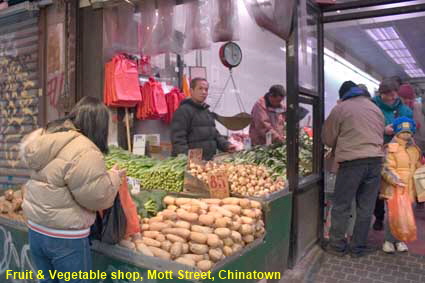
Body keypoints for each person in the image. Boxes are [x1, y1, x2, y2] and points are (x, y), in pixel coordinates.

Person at [20, 97, 124, 283]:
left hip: (36, 230)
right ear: (100, 125)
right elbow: (97, 198)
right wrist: (114, 177)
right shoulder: (85, 149)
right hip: (65, 239)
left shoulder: (47, 136)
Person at [322, 80, 385, 258]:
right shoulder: (375, 108)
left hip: (352, 163)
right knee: (366, 207)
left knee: (342, 205)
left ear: (343, 95)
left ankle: (336, 246)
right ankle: (357, 247)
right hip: (375, 162)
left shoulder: (341, 108)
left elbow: (327, 139)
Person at [371, 79, 413, 231]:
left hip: (397, 153)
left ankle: (395, 217)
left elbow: (410, 128)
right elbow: (366, 127)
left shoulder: (404, 109)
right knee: (377, 187)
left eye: (394, 94)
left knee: (394, 184)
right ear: (381, 93)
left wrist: (402, 132)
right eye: (388, 94)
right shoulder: (373, 106)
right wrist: (383, 130)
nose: (391, 97)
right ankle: (379, 217)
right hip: (377, 150)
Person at [380, 117, 421, 253]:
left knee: (406, 215)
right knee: (393, 215)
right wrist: (395, 181)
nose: (406, 134)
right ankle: (388, 240)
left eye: (409, 132)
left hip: (410, 189)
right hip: (395, 188)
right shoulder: (391, 148)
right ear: (396, 132)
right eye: (403, 131)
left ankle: (400, 239)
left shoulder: (415, 149)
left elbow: (417, 166)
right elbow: (386, 167)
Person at [171, 78, 236, 160]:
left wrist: (226, 145)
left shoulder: (206, 111)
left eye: (206, 89)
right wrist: (187, 160)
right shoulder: (183, 111)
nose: (204, 92)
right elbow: (178, 140)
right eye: (200, 88)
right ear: (191, 91)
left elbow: (214, 134)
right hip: (192, 163)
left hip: (207, 161)